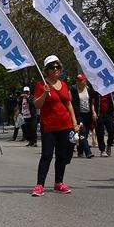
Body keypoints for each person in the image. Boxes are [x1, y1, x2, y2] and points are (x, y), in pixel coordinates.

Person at [31, 56, 81, 196]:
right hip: (50, 126)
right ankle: (39, 185)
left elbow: (69, 104)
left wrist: (74, 123)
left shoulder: (64, 85)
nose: (56, 69)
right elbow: (37, 105)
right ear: (46, 70)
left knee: (62, 156)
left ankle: (59, 182)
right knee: (46, 155)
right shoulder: (41, 85)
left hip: (65, 125)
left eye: (58, 67)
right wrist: (44, 94)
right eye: (52, 67)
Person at [69, 75, 95, 159]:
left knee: (85, 134)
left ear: (85, 81)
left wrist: (93, 112)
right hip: (78, 115)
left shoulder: (88, 89)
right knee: (82, 132)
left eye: (80, 80)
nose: (79, 82)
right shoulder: (73, 89)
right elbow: (69, 101)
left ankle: (80, 151)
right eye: (77, 80)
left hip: (87, 114)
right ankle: (88, 152)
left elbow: (91, 102)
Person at [93, 77, 114, 156]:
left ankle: (109, 144)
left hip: (108, 114)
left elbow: (112, 101)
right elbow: (92, 103)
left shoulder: (108, 90)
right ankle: (102, 150)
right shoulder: (95, 91)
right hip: (99, 114)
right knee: (100, 133)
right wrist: (94, 112)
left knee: (112, 132)